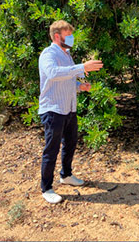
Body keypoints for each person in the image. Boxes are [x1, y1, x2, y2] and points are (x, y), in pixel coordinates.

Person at [38, 20, 103, 204]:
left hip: (68, 108)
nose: (72, 38)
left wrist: (80, 86)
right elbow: (53, 73)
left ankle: (66, 175)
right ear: (57, 36)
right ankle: (47, 188)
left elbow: (66, 80)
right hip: (53, 109)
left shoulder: (67, 55)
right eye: (69, 34)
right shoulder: (48, 54)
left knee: (71, 143)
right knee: (51, 149)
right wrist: (82, 67)